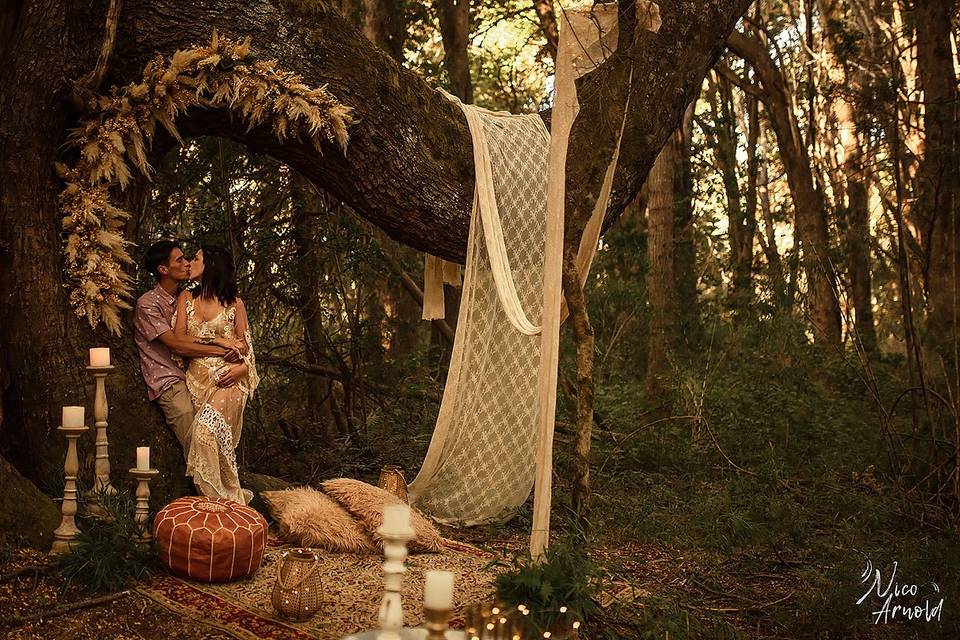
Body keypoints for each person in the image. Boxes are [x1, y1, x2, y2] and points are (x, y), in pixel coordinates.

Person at [134, 241, 241, 463]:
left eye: (188, 258)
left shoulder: (189, 297)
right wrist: (221, 348)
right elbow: (177, 344)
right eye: (180, 260)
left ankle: (225, 488)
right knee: (196, 440)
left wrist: (237, 358)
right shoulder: (148, 304)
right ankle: (211, 493)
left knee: (215, 431)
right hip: (168, 378)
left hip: (194, 375)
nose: (187, 263)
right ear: (163, 270)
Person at [175, 245, 259, 504]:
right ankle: (234, 507)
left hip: (229, 380)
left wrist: (242, 368)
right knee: (219, 452)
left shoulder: (235, 304)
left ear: (210, 265)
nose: (190, 262)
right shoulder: (186, 298)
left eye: (196, 258)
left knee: (204, 433)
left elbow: (246, 348)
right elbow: (180, 340)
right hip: (198, 382)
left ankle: (220, 506)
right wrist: (219, 342)